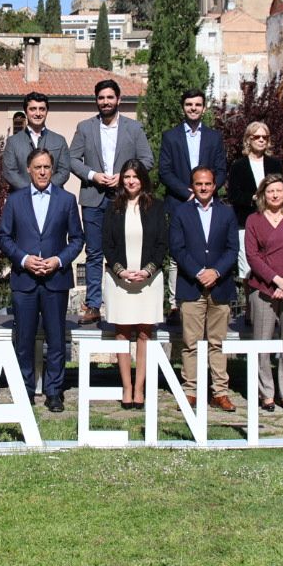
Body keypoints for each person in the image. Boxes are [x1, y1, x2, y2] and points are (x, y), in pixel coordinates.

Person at [0, 148, 84, 412]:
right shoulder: (14, 201)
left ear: (53, 169)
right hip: (25, 280)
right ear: (29, 170)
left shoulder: (67, 200)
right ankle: (24, 389)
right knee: (23, 339)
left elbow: (78, 239)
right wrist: (23, 259)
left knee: (56, 339)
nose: (43, 172)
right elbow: (4, 237)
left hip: (56, 279)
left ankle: (54, 391)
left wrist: (58, 260)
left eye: (47, 167)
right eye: (38, 167)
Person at [69, 78, 153, 325]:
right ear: (96, 101)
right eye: (101, 98)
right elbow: (73, 159)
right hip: (93, 199)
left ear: (119, 99)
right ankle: (93, 305)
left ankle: (125, 305)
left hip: (124, 198)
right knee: (94, 253)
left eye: (109, 97)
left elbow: (147, 160)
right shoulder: (85, 128)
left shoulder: (133, 129)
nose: (105, 102)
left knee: (124, 252)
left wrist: (125, 175)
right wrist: (93, 175)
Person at [169, 166, 241, 411]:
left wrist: (216, 272)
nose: (203, 188)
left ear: (214, 186)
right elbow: (177, 248)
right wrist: (199, 272)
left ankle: (219, 391)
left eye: (207, 184)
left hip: (219, 286)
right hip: (191, 285)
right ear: (193, 186)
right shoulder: (181, 212)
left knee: (218, 342)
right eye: (198, 184)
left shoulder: (227, 213)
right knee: (190, 342)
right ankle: (190, 390)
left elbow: (233, 249)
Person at [100, 158, 167, 409]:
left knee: (143, 333)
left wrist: (148, 271)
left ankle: (140, 388)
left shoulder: (156, 207)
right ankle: (126, 387)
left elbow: (162, 243)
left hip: (148, 281)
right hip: (120, 281)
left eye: (135, 177)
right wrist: (121, 271)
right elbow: (107, 244)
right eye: (127, 176)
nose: (131, 181)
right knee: (122, 333)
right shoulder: (113, 207)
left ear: (143, 180)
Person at [244, 175, 283, 412]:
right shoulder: (254, 220)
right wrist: (276, 280)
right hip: (263, 289)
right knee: (262, 341)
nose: (274, 195)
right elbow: (253, 256)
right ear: (263, 194)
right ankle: (267, 393)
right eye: (270, 191)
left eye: (278, 191)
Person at [226, 120, 283, 289]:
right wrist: (254, 198)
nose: (261, 140)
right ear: (248, 140)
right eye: (256, 136)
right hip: (246, 222)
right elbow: (233, 195)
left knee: (272, 267)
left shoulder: (274, 164)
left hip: (273, 222)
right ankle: (250, 312)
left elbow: (282, 190)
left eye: (264, 137)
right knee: (248, 270)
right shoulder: (238, 166)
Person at [158, 88, 227, 205]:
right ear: (183, 108)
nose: (193, 108)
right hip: (180, 201)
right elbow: (164, 172)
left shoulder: (215, 137)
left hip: (209, 202)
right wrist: (187, 193)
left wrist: (206, 192)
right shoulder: (170, 137)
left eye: (198, 105)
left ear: (204, 109)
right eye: (189, 104)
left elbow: (221, 170)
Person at [2, 91, 70, 191]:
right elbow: (9, 172)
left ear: (47, 112)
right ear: (26, 112)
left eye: (42, 109)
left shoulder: (59, 141)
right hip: (22, 199)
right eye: (33, 109)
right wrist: (31, 190)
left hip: (52, 199)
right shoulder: (13, 142)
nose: (38, 113)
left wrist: (46, 188)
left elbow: (64, 171)